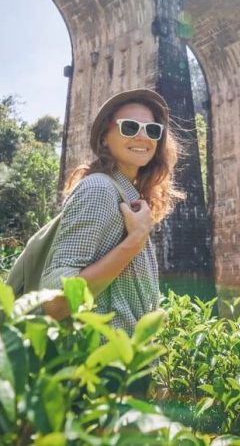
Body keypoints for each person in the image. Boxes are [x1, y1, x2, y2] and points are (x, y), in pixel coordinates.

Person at [40, 88, 183, 332]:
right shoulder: (99, 189)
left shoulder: (128, 196)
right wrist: (134, 242)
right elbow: (55, 303)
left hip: (126, 361)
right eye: (129, 127)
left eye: (151, 130)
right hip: (101, 363)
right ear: (105, 137)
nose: (142, 137)